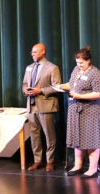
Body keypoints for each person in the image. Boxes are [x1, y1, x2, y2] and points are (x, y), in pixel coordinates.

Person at [58, 46, 100, 178]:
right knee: (77, 137)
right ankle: (78, 165)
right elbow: (72, 84)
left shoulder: (95, 73)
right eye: (77, 62)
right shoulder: (76, 70)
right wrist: (59, 86)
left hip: (91, 111)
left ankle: (92, 168)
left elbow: (99, 93)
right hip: (75, 110)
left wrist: (80, 96)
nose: (79, 65)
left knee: (92, 139)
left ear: (88, 61)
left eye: (81, 63)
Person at [22, 43, 62, 172]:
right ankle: (37, 160)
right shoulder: (29, 67)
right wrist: (25, 90)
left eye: (35, 52)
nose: (32, 54)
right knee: (34, 135)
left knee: (49, 135)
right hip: (31, 106)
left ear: (43, 52)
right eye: (32, 52)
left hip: (46, 105)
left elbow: (57, 87)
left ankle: (50, 161)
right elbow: (24, 84)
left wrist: (41, 90)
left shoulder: (52, 68)